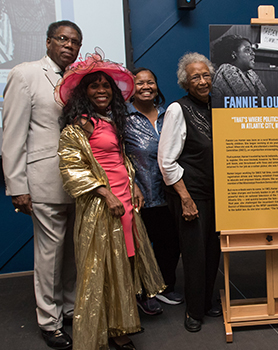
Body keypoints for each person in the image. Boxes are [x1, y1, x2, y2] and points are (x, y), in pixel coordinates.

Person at [56, 51, 165, 350]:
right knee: (101, 267)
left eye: (106, 85)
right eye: (94, 86)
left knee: (124, 264)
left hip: (126, 200)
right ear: (84, 92)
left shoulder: (110, 119)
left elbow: (119, 159)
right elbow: (71, 167)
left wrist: (134, 188)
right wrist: (105, 194)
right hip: (102, 204)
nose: (101, 90)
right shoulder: (80, 123)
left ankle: (121, 322)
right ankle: (109, 331)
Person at [1, 20, 81, 350]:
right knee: (49, 254)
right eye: (62, 39)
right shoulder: (25, 74)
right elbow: (12, 136)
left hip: (79, 181)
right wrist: (17, 186)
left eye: (75, 42)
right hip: (44, 180)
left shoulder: (79, 80)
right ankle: (49, 321)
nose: (69, 46)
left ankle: (70, 309)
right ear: (48, 42)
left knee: (73, 253)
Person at [158, 52, 221, 332]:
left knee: (212, 252)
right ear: (185, 81)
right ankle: (194, 312)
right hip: (190, 194)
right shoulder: (177, 109)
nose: (203, 80)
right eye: (195, 76)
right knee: (195, 255)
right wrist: (185, 198)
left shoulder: (217, 108)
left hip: (216, 194)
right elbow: (166, 160)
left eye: (206, 74)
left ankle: (206, 301)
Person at [124, 67, 184, 310]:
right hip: (139, 193)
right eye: (139, 83)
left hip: (170, 191)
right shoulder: (123, 117)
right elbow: (116, 155)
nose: (146, 87)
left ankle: (164, 287)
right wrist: (131, 185)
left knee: (170, 243)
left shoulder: (168, 113)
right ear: (131, 87)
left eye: (151, 82)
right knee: (138, 248)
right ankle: (141, 292)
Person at [211, 35, 267, 106]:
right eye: (247, 50)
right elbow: (249, 102)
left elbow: (266, 99)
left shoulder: (250, 73)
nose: (253, 53)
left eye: (252, 50)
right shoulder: (226, 69)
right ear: (234, 54)